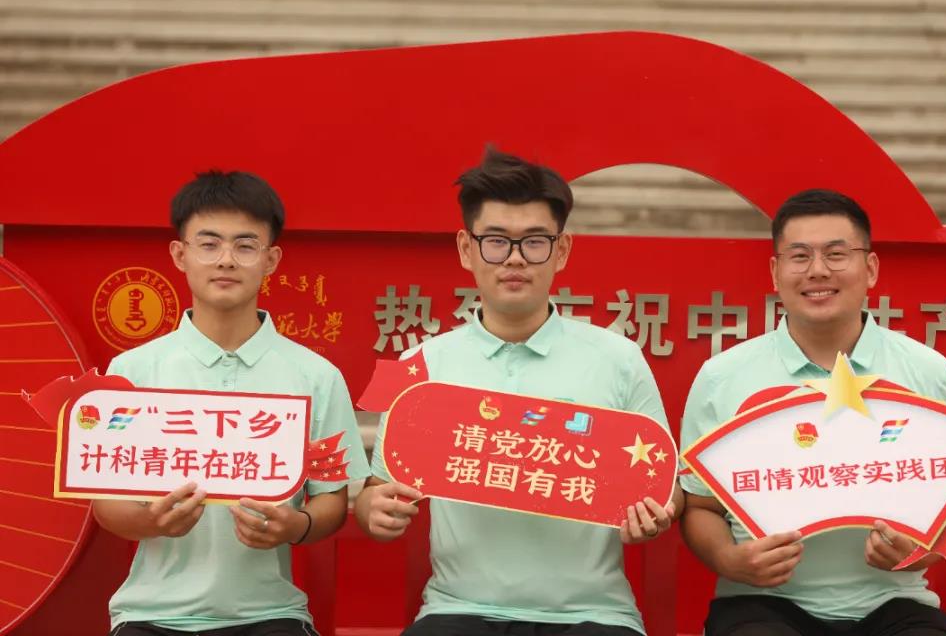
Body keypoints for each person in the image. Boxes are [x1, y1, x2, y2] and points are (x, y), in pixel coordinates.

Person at [356, 147, 683, 636]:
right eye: (495, 241)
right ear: (466, 249)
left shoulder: (619, 358)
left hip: (593, 616)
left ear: (562, 250)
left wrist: (657, 512)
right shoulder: (416, 364)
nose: (514, 258)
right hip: (456, 611)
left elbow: (666, 485)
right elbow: (375, 490)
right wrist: (374, 512)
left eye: (534, 242)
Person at [680, 189, 946, 636]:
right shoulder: (723, 377)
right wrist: (729, 559)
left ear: (870, 268)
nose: (817, 270)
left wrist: (926, 551)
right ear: (775, 272)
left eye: (836, 254)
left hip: (894, 601)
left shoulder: (927, 372)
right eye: (800, 256)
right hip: (762, 603)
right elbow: (699, 506)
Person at [93, 170, 369, 636]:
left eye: (245, 246)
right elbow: (106, 504)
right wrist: (152, 520)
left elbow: (331, 501)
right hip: (151, 616)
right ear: (179, 254)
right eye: (208, 244)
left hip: (271, 615)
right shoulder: (131, 372)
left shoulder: (316, 376)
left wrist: (295, 526)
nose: (225, 260)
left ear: (271, 259)